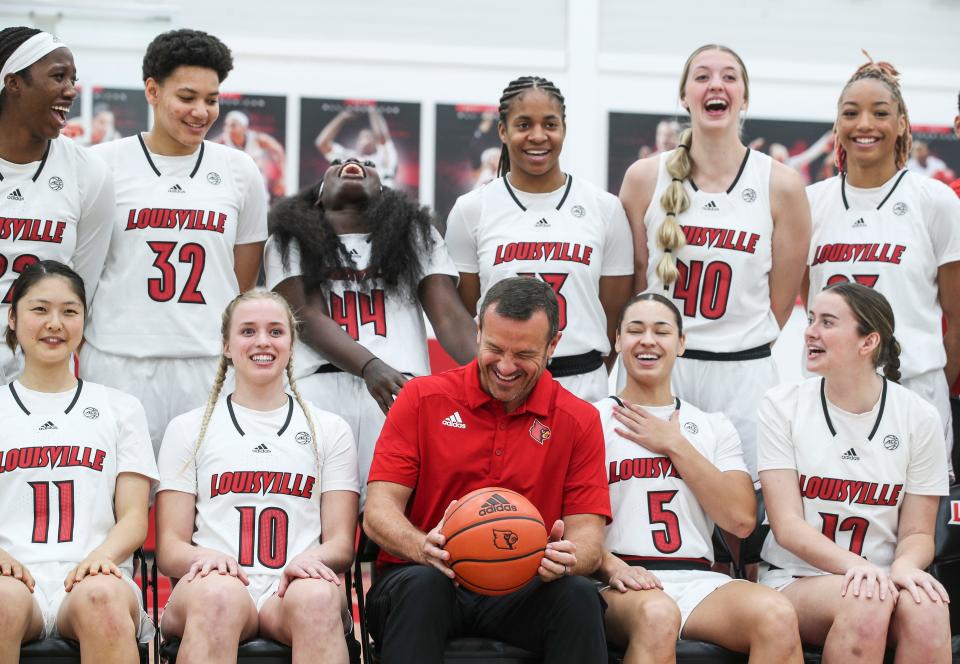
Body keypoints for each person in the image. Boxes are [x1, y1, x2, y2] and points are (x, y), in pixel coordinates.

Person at [364, 277, 610, 664]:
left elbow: (589, 542)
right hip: (424, 579)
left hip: (523, 586)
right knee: (423, 586)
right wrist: (421, 547)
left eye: (524, 354)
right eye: (495, 348)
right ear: (478, 332)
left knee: (578, 596)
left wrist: (564, 558)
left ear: (552, 347)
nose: (506, 366)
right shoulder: (421, 398)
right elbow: (378, 513)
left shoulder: (579, 419)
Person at [618, 44, 811, 480]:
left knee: (742, 519)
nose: (716, 85)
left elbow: (778, 303)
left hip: (743, 373)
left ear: (744, 96)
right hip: (661, 368)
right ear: (684, 96)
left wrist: (736, 339)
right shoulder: (644, 178)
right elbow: (635, 286)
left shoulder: (780, 184)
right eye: (702, 76)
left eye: (729, 76)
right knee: (646, 506)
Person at [79, 29, 268, 452]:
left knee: (203, 507)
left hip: (208, 364)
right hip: (117, 362)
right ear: (152, 90)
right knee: (115, 506)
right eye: (187, 97)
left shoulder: (240, 170)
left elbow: (240, 282)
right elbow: (83, 272)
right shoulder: (100, 164)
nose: (201, 111)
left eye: (212, 99)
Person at [595, 292, 803, 663]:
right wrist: (611, 567)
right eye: (635, 330)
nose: (647, 340)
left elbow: (740, 520)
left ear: (681, 343)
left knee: (778, 615)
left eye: (661, 331)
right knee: (658, 614)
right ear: (617, 340)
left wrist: (676, 446)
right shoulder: (590, 420)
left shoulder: (711, 426)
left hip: (697, 579)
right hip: (620, 581)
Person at [156, 289, 359, 664]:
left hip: (292, 589)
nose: (262, 341)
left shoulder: (329, 429)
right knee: (220, 596)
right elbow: (169, 548)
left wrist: (310, 561)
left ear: (292, 345)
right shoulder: (189, 429)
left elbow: (342, 545)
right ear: (227, 346)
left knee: (317, 597)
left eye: (275, 331)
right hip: (214, 588)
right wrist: (210, 559)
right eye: (248, 331)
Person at [758, 282, 951, 662]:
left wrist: (904, 566)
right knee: (866, 599)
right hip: (797, 579)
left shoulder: (920, 417)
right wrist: (862, 570)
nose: (810, 331)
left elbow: (917, 532)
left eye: (827, 322)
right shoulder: (782, 405)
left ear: (867, 343)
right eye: (811, 319)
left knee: (928, 609)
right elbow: (788, 526)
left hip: (883, 578)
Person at [265, 156, 477, 503]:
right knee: (315, 514)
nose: (351, 162)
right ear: (318, 196)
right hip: (318, 389)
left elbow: (450, 319)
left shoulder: (416, 235)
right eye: (335, 163)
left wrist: (492, 368)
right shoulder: (289, 239)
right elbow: (304, 316)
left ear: (385, 192)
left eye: (367, 162)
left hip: (398, 390)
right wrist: (369, 366)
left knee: (395, 513)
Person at [805, 56, 960, 467]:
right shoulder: (811, 202)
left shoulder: (936, 201)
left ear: (903, 123)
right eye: (851, 113)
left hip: (914, 391)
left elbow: (957, 320)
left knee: (916, 528)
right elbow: (803, 305)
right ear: (837, 125)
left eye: (880, 113)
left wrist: (922, 391)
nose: (865, 125)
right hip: (829, 396)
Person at [0, 260, 157, 662]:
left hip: (95, 570)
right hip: (9, 574)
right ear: (13, 318)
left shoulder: (121, 408)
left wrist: (100, 558)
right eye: (40, 309)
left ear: (84, 322)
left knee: (101, 599)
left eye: (69, 311)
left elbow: (135, 518)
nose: (55, 323)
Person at [445, 76, 634, 403]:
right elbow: (468, 310)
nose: (537, 136)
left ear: (564, 128)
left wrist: (586, 368)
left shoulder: (604, 208)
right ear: (503, 131)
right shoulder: (471, 210)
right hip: (504, 384)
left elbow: (612, 315)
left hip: (582, 385)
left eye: (550, 124)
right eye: (523, 124)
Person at [0, 27, 114, 383]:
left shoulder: (89, 173)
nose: (71, 90)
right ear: (14, 82)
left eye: (73, 79)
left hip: (40, 360)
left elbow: (81, 286)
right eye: (58, 76)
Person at [315, 105, 398, 189]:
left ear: (375, 142)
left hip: (382, 196)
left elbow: (381, 137)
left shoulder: (384, 156)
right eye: (361, 137)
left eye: (368, 137)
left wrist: (372, 109)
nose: (364, 140)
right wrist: (342, 117)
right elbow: (322, 144)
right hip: (354, 197)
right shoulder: (348, 157)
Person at [213, 110, 286, 199]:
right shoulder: (222, 140)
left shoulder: (257, 138)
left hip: (256, 182)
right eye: (226, 125)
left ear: (244, 127)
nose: (228, 129)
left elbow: (278, 150)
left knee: (260, 208)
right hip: (234, 183)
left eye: (233, 125)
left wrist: (281, 178)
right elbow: (206, 151)